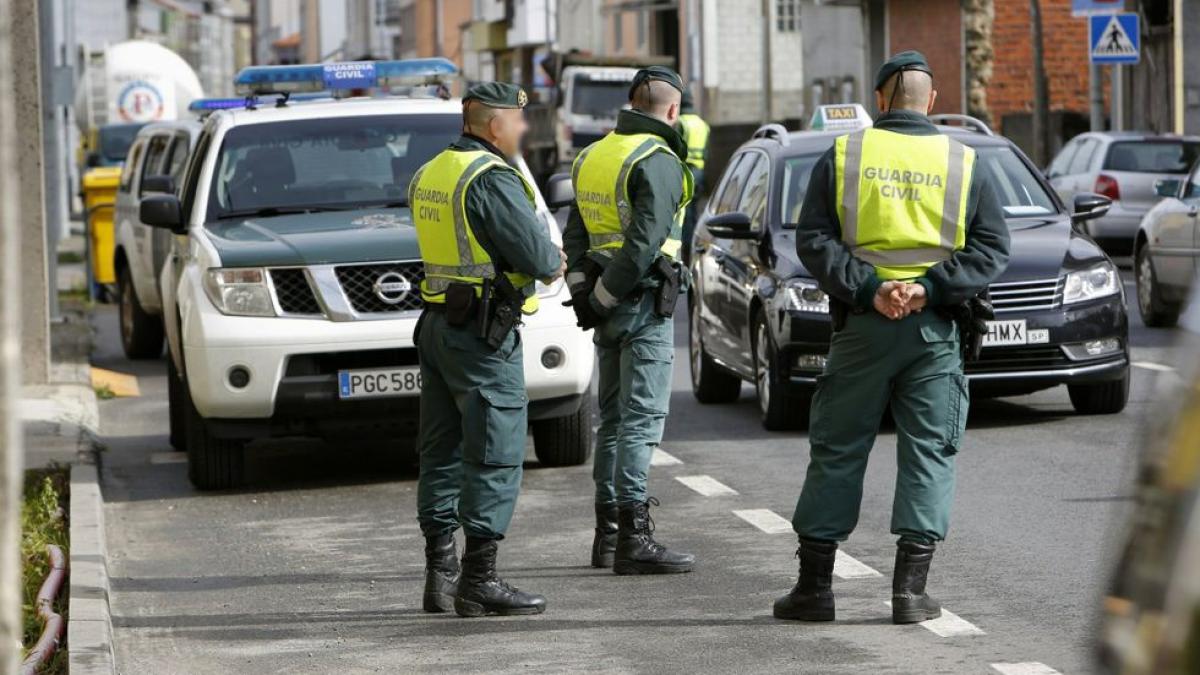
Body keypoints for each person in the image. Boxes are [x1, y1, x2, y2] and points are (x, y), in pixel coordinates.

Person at [772, 51, 1010, 624]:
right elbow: (991, 248)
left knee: (838, 448)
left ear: (880, 100)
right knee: (929, 452)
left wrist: (873, 287)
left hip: (862, 326)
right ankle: (909, 593)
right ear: (931, 101)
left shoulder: (847, 152)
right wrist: (928, 288)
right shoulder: (963, 160)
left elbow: (815, 240)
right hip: (932, 332)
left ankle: (814, 589)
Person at [409, 82, 566, 617]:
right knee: (496, 452)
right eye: (518, 121)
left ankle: (440, 573)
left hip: (437, 327)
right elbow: (540, 256)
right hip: (481, 335)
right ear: (495, 124)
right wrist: (553, 259)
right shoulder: (491, 177)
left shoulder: (431, 171)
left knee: (441, 452)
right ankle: (479, 579)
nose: (523, 129)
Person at [562, 66, 696, 575]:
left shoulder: (593, 155)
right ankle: (634, 540)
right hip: (640, 303)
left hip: (606, 307)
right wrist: (605, 293)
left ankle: (608, 536)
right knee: (641, 420)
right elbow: (644, 241)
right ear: (672, 110)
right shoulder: (657, 159)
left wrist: (586, 295)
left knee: (613, 421)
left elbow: (573, 233)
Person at [676, 88, 710, 266]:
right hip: (700, 172)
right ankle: (695, 248)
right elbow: (707, 153)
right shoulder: (702, 124)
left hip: (685, 171)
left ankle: (687, 253)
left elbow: (675, 149)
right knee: (695, 213)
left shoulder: (680, 122)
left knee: (685, 215)